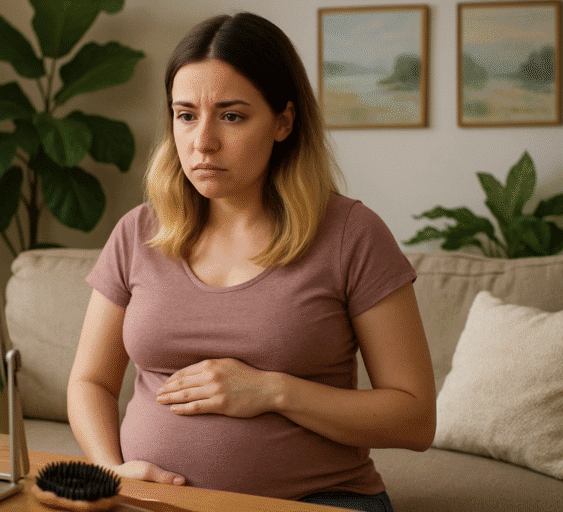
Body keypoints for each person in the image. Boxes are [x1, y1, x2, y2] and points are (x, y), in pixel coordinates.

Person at [67, 12, 436, 512]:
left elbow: (414, 419)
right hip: (149, 502)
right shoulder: (138, 232)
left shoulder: (352, 235)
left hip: (317, 500)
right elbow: (91, 380)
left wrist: (273, 391)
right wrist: (111, 471)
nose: (202, 142)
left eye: (231, 115)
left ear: (284, 121)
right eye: (185, 114)